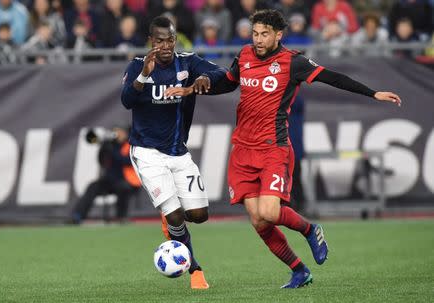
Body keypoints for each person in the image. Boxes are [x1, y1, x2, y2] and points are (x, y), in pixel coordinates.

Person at [165, 9, 401, 289]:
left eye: (264, 34)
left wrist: (373, 93)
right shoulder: (244, 55)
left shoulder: (293, 62)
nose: (258, 39)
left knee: (269, 211)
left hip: (272, 147)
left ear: (278, 35)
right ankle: (299, 270)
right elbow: (229, 82)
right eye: (255, 33)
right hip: (242, 149)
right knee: (258, 220)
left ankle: (310, 229)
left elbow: (332, 77)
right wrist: (194, 88)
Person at [120, 16, 225, 289]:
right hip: (147, 152)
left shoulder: (187, 62)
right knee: (175, 215)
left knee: (199, 215)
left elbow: (224, 75)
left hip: (178, 152)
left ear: (175, 40)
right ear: (150, 41)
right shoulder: (136, 66)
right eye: (159, 41)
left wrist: (203, 78)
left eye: (169, 40)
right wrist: (144, 74)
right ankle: (195, 269)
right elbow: (127, 101)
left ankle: (172, 220)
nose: (165, 46)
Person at [71, 127, 142, 224]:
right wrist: (103, 148)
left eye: (119, 131)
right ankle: (78, 215)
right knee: (93, 187)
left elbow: (127, 161)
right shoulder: (111, 144)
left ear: (125, 133)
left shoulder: (131, 145)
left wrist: (112, 151)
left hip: (128, 181)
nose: (117, 134)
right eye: (116, 131)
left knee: (123, 188)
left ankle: (121, 217)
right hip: (110, 181)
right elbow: (102, 162)